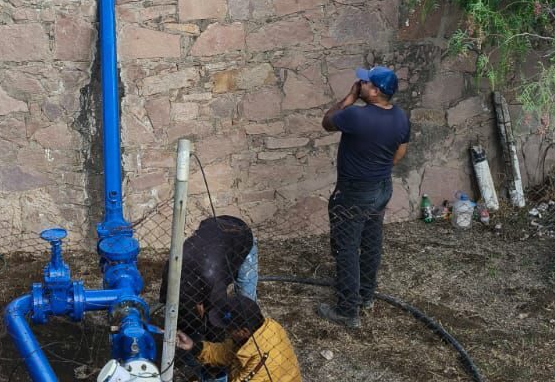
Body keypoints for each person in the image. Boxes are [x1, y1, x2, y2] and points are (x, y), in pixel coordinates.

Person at [317, 65, 411, 329]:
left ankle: (347, 310)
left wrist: (349, 98)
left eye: (365, 82)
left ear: (375, 91)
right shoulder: (401, 117)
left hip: (354, 192)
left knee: (347, 247)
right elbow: (399, 154)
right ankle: (366, 295)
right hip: (382, 188)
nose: (360, 83)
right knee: (371, 242)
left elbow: (327, 122)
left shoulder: (356, 117)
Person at [158, 216, 258, 338]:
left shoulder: (213, 279)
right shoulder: (170, 272)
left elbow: (218, 313)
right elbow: (168, 302)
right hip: (213, 233)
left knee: (245, 304)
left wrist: (212, 339)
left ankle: (251, 338)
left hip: (241, 235)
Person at [176, 295, 302, 382]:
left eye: (229, 329)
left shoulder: (263, 358)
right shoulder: (256, 332)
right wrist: (193, 346)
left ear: (243, 331)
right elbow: (224, 352)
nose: (226, 331)